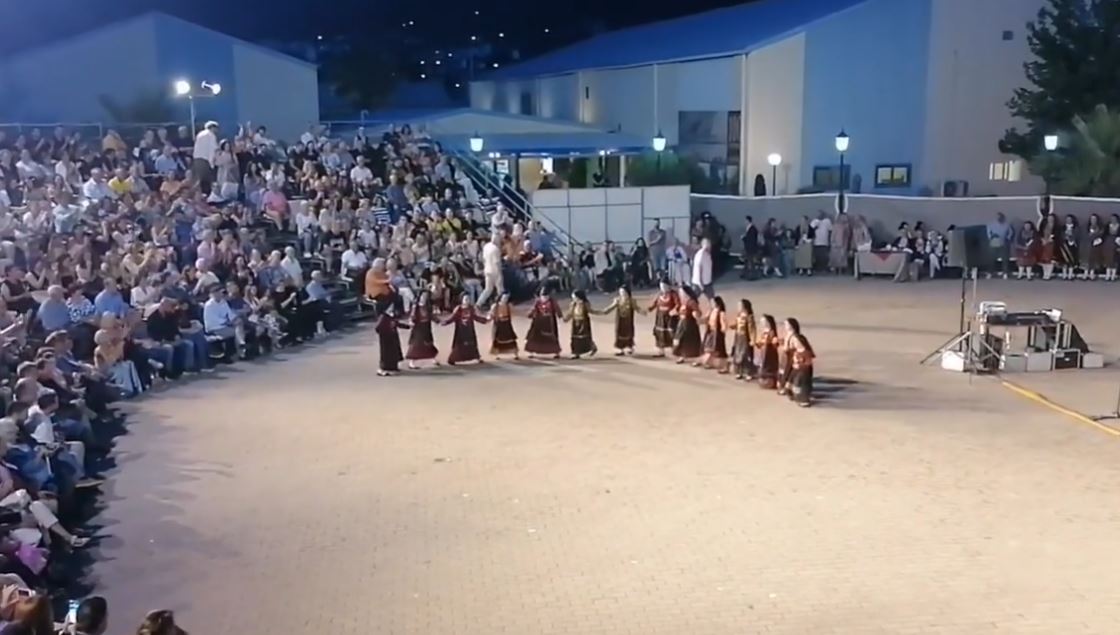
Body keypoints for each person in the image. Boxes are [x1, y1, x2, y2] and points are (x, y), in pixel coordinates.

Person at [778, 317, 815, 407]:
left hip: (802, 370)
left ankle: (803, 399)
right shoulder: (795, 350)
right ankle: (791, 392)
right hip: (795, 366)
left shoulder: (805, 352)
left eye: (787, 324)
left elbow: (807, 361)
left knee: (800, 383)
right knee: (790, 380)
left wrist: (800, 364)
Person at [442, 295, 488, 365]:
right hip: (461, 331)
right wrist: (446, 322)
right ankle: (452, 359)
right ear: (462, 300)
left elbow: (475, 317)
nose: (467, 300)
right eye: (465, 299)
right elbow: (453, 317)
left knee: (472, 344)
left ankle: (477, 357)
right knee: (459, 345)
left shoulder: (471, 308)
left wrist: (485, 320)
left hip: (469, 330)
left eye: (468, 299)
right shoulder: (459, 309)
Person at [597, 285, 643, 356]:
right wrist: (604, 311)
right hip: (620, 320)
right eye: (621, 292)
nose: (622, 294)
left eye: (623, 292)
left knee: (629, 333)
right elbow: (611, 307)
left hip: (628, 320)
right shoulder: (618, 300)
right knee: (619, 332)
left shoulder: (632, 300)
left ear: (627, 292)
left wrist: (642, 311)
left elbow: (636, 308)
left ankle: (630, 347)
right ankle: (621, 349)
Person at [404, 291, 439, 369]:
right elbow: (412, 315)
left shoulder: (428, 307)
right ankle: (412, 362)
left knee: (429, 343)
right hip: (418, 328)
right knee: (416, 345)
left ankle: (433, 359)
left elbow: (431, 316)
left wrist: (437, 321)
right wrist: (411, 321)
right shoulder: (416, 306)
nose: (424, 298)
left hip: (426, 327)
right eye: (423, 296)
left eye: (426, 296)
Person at [524, 286, 561, 359]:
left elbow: (557, 309)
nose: (544, 297)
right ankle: (531, 351)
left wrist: (560, 315)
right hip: (539, 321)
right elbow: (534, 309)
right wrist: (530, 314)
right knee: (534, 336)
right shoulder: (538, 302)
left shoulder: (552, 301)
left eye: (546, 296)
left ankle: (556, 352)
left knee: (552, 337)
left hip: (549, 322)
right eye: (543, 296)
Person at [374, 302, 410, 377]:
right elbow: (378, 327)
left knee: (394, 352)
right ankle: (383, 369)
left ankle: (393, 367)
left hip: (392, 335)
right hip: (386, 337)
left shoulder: (391, 316)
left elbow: (396, 323)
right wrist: (385, 332)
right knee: (386, 353)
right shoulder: (384, 316)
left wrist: (407, 326)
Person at [672, 285, 703, 364]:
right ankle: (682, 356)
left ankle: (696, 359)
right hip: (682, 324)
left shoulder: (691, 302)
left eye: (682, 293)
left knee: (691, 342)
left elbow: (699, 312)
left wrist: (696, 314)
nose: (680, 294)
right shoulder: (682, 302)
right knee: (681, 341)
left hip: (690, 325)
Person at [697, 295, 729, 372]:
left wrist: (723, 329)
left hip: (717, 333)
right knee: (709, 347)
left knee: (718, 349)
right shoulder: (711, 311)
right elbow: (706, 319)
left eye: (713, 303)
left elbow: (724, 323)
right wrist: (700, 320)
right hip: (711, 332)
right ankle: (708, 362)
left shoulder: (721, 313)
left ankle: (723, 365)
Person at [648, 280, 679, 358]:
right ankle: (660, 351)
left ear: (668, 286)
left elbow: (678, 304)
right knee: (660, 333)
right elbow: (655, 303)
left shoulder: (673, 294)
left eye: (664, 286)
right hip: (660, 317)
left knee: (671, 333)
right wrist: (650, 308)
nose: (663, 288)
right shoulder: (659, 294)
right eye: (661, 286)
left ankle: (674, 350)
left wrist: (674, 310)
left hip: (670, 318)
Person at [563, 290, 597, 359]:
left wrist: (601, 312)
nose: (573, 298)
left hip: (584, 322)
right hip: (575, 322)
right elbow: (570, 313)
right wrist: (566, 319)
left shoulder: (585, 303)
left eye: (574, 297)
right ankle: (576, 353)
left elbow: (590, 310)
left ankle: (593, 347)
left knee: (585, 337)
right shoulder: (573, 304)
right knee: (575, 338)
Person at [730, 299, 758, 380]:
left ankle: (748, 372)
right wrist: (733, 326)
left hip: (746, 338)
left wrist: (753, 340)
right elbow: (737, 325)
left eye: (740, 305)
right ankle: (739, 371)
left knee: (746, 355)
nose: (738, 307)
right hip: (738, 337)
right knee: (738, 354)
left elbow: (752, 330)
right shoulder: (739, 315)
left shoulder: (749, 317)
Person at [476, 233, 504, 308]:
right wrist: (500, 274)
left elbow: (484, 260)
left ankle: (478, 304)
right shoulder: (496, 249)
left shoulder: (486, 246)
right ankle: (501, 305)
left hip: (487, 270)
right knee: (500, 289)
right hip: (495, 272)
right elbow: (497, 263)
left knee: (488, 289)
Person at [488, 293, 519, 360]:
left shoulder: (509, 306)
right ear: (500, 298)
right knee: (497, 339)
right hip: (499, 324)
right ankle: (497, 355)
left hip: (507, 324)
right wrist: (488, 318)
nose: (505, 299)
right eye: (504, 298)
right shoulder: (495, 306)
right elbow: (491, 314)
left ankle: (515, 354)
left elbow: (514, 312)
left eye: (506, 298)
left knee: (511, 339)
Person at [192, 121, 219, 195]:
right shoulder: (211, 135)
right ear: (212, 127)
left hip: (197, 160)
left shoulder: (199, 134)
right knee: (207, 181)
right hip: (205, 161)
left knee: (200, 180)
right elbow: (213, 150)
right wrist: (212, 164)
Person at [754, 314, 781, 390]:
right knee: (762, 363)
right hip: (763, 351)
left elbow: (771, 341)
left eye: (764, 321)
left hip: (769, 352)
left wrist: (766, 342)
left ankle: (770, 378)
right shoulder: (763, 331)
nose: (762, 323)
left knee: (768, 364)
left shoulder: (771, 331)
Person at [987, 212, 1014, 279]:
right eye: (997, 217)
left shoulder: (1006, 225)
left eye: (1000, 217)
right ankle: (990, 273)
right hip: (994, 242)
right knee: (991, 259)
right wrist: (990, 238)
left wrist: (1008, 238)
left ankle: (1005, 273)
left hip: (1003, 243)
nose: (999, 218)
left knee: (1005, 259)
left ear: (1003, 217)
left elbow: (1011, 232)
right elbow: (988, 232)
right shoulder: (991, 224)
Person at [1057, 214, 1080, 281]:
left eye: (1070, 219)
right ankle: (1064, 274)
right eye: (1067, 219)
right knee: (1064, 260)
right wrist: (1065, 237)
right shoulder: (1063, 228)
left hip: (1072, 245)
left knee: (1071, 260)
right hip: (1064, 245)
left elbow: (1077, 236)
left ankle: (1070, 274)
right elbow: (1060, 235)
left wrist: (1071, 238)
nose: (1068, 220)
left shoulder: (1075, 228)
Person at [690, 238, 713, 304]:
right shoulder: (701, 254)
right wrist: (700, 283)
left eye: (709, 244)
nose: (709, 246)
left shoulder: (708, 254)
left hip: (707, 282)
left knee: (712, 299)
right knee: (693, 300)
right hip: (699, 283)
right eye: (707, 244)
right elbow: (699, 268)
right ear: (703, 245)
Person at [1084, 213, 1104, 281]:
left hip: (1096, 246)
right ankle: (1085, 273)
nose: (1093, 220)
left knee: (1094, 259)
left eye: (1094, 219)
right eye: (1092, 219)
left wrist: (1096, 238)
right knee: (1087, 259)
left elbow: (1101, 235)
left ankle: (1092, 273)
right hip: (1087, 246)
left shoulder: (1100, 228)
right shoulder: (1087, 227)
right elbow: (1085, 235)